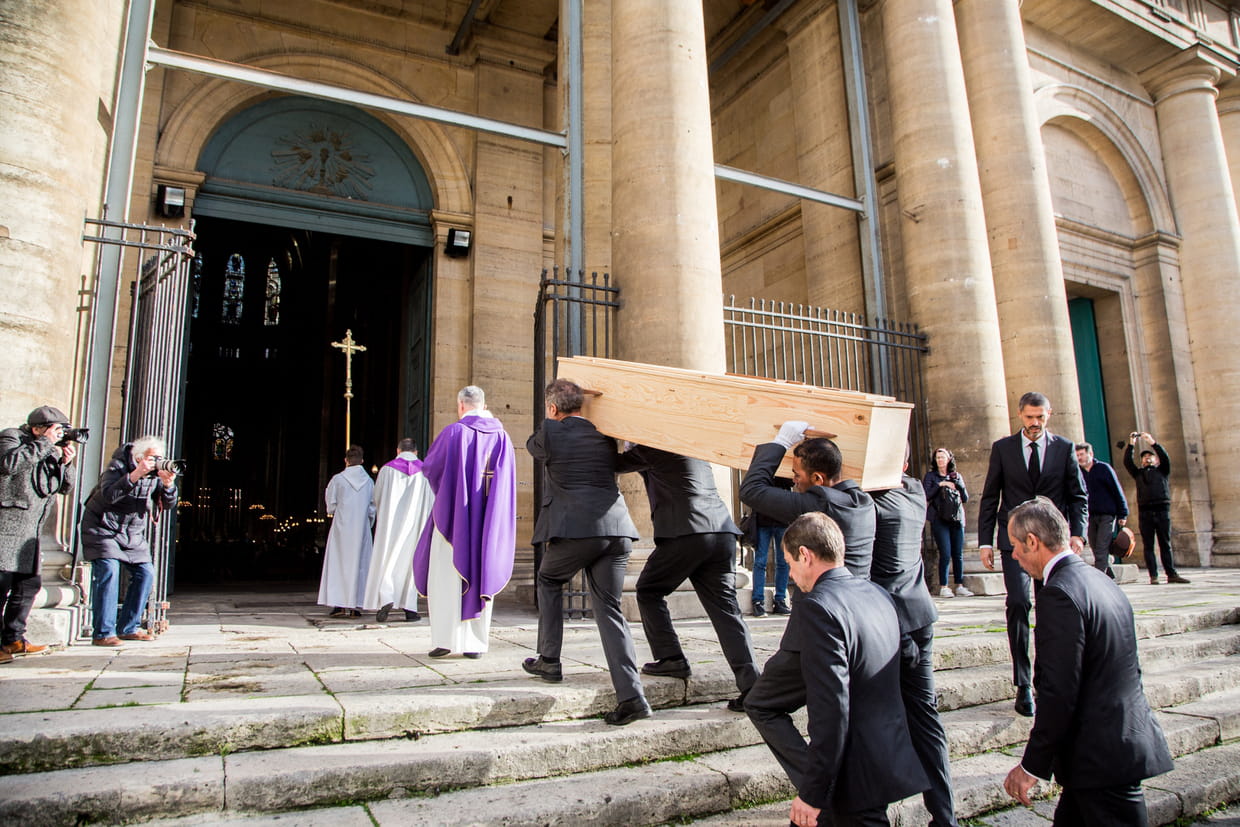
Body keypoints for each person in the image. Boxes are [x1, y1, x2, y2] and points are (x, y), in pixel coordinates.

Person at [1002, 497, 1173, 824]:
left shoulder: (1059, 594)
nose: (1014, 556)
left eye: (1014, 545)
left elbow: (1059, 690)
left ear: (1032, 542)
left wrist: (1032, 766)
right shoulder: (1099, 579)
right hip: (1112, 748)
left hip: (1101, 759)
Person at [752, 511, 928, 827]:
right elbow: (910, 656)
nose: (791, 575)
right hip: (886, 753)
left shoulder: (818, 607)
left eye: (789, 564)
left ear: (805, 555)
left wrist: (813, 791)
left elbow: (831, 709)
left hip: (852, 773)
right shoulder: (877, 593)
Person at [523, 378, 650, 726]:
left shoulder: (550, 432)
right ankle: (632, 697)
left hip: (577, 530)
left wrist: (550, 420)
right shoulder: (604, 434)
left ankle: (549, 660)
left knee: (549, 579)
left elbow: (532, 446)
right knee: (609, 610)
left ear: (552, 408)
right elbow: (625, 461)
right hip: (617, 530)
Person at [617, 444, 759, 711]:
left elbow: (613, 464)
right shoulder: (693, 445)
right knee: (726, 611)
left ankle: (671, 657)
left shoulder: (654, 444)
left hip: (687, 531)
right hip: (721, 531)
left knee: (648, 590)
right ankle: (752, 686)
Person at [977, 392, 1087, 718]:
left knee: (1051, 608)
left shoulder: (1064, 448)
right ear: (1020, 415)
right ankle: (1023, 682)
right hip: (1014, 542)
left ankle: (1047, 677)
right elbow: (990, 496)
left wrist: (1078, 534)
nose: (1035, 423)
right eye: (1030, 417)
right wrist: (985, 542)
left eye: (1040, 417)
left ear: (1049, 414)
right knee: (1018, 603)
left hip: (1051, 544)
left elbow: (1078, 496)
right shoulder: (1003, 448)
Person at [871, 448, 958, 827]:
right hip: (920, 615)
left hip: (892, 625)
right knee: (926, 720)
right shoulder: (914, 491)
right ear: (905, 466)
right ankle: (944, 816)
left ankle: (871, 811)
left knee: (874, 719)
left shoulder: (870, 503)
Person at [414, 385, 517, 659]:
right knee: (482, 572)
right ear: (484, 405)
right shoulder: (503, 437)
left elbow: (431, 469)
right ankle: (475, 644)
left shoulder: (453, 432)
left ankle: (445, 640)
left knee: (446, 578)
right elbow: (506, 484)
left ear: (461, 405)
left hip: (453, 520)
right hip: (486, 523)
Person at [738, 421, 875, 579]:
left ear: (817, 478)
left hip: (825, 592)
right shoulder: (864, 502)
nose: (794, 480)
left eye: (797, 475)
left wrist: (781, 442)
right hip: (860, 589)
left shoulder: (820, 505)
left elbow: (751, 490)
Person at [81, 435, 178, 645]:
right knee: (109, 570)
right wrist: (136, 474)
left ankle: (128, 627)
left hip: (132, 531)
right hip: (102, 526)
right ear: (139, 457)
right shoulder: (117, 466)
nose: (157, 462)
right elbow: (109, 494)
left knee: (145, 573)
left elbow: (168, 504)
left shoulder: (155, 476)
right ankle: (103, 633)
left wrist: (168, 485)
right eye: (153, 458)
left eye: (160, 458)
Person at [0, 406, 76, 660]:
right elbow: (9, 465)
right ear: (37, 429)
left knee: (28, 586)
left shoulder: (48, 449)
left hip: (31, 530)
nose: (60, 435)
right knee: (2, 586)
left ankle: (13, 639)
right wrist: (45, 443)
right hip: (7, 527)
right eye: (57, 429)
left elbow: (65, 488)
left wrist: (66, 463)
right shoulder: (11, 437)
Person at [363, 438, 432, 623]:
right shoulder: (425, 471)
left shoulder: (386, 470)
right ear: (416, 452)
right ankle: (410, 609)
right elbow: (431, 500)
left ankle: (386, 598)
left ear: (398, 451)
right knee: (410, 564)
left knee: (387, 559)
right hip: (414, 526)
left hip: (390, 525)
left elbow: (377, 497)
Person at [1123, 432, 1189, 585]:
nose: (1147, 458)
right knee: (1148, 546)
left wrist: (1152, 442)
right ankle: (1153, 576)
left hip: (1162, 510)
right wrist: (1131, 444)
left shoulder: (1162, 470)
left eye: (1150, 456)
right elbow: (1128, 462)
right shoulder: (1138, 473)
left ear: (1155, 459)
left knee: (1165, 544)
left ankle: (1171, 574)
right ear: (1141, 461)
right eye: (1144, 457)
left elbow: (1165, 457)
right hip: (1145, 512)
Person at [318, 445, 374, 618]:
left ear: (346, 460)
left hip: (341, 529)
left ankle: (339, 603)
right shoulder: (369, 481)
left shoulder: (338, 480)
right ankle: (356, 605)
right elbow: (373, 507)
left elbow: (331, 506)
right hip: (361, 529)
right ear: (362, 461)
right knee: (360, 565)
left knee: (339, 564)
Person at [1074, 442, 1128, 578]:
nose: (1079, 458)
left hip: (1107, 515)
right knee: (1094, 546)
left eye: (1082, 454)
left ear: (1090, 454)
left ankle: (1100, 579)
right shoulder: (1077, 473)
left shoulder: (1104, 468)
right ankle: (1109, 576)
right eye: (1077, 455)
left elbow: (1117, 490)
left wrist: (1123, 513)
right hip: (1089, 516)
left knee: (1101, 548)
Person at [922, 447, 971, 598]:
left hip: (956, 518)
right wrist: (941, 484)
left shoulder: (956, 475)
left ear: (949, 459)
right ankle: (944, 586)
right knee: (945, 552)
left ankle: (959, 585)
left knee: (958, 553)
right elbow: (926, 495)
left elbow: (965, 498)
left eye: (942, 457)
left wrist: (957, 484)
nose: (940, 460)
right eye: (937, 458)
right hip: (939, 518)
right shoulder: (931, 476)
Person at [750, 487, 792, 617]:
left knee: (783, 562)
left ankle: (780, 600)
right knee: (760, 561)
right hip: (764, 519)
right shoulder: (763, 475)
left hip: (782, 519)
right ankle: (758, 601)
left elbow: (789, 484)